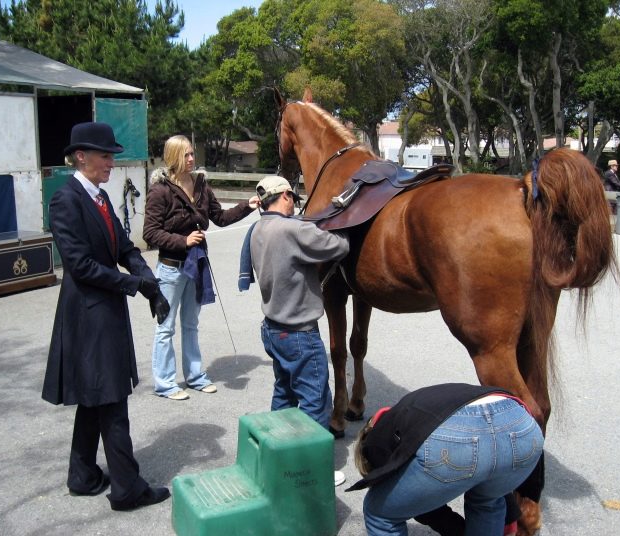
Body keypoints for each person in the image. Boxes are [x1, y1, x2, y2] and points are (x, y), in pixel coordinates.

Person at [42, 122, 172, 511]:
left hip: (105, 311)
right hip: (87, 316)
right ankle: (127, 489)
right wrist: (134, 286)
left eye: (112, 156)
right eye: (105, 155)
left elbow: (127, 248)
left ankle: (81, 476)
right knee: (111, 398)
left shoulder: (99, 197)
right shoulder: (66, 200)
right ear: (81, 156)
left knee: (95, 396)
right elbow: (79, 266)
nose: (112, 162)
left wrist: (149, 279)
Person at [249, 175, 350, 486]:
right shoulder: (292, 229)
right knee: (315, 400)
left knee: (284, 394)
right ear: (287, 197)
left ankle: (276, 456)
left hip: (273, 329)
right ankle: (312, 471)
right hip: (299, 333)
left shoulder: (258, 229)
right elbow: (338, 246)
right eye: (294, 197)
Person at [143, 135, 259, 400]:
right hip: (171, 268)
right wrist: (182, 240)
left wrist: (247, 206)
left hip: (196, 265)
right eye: (186, 155)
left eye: (192, 153)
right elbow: (150, 233)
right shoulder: (160, 190)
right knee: (165, 326)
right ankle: (165, 383)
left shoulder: (201, 185)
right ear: (173, 157)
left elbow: (219, 217)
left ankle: (195, 377)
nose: (192, 159)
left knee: (191, 324)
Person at [348, 383, 544, 536]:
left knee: (378, 511)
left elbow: (419, 503)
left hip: (461, 434)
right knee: (487, 500)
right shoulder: (414, 407)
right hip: (523, 426)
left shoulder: (375, 440)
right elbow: (492, 450)